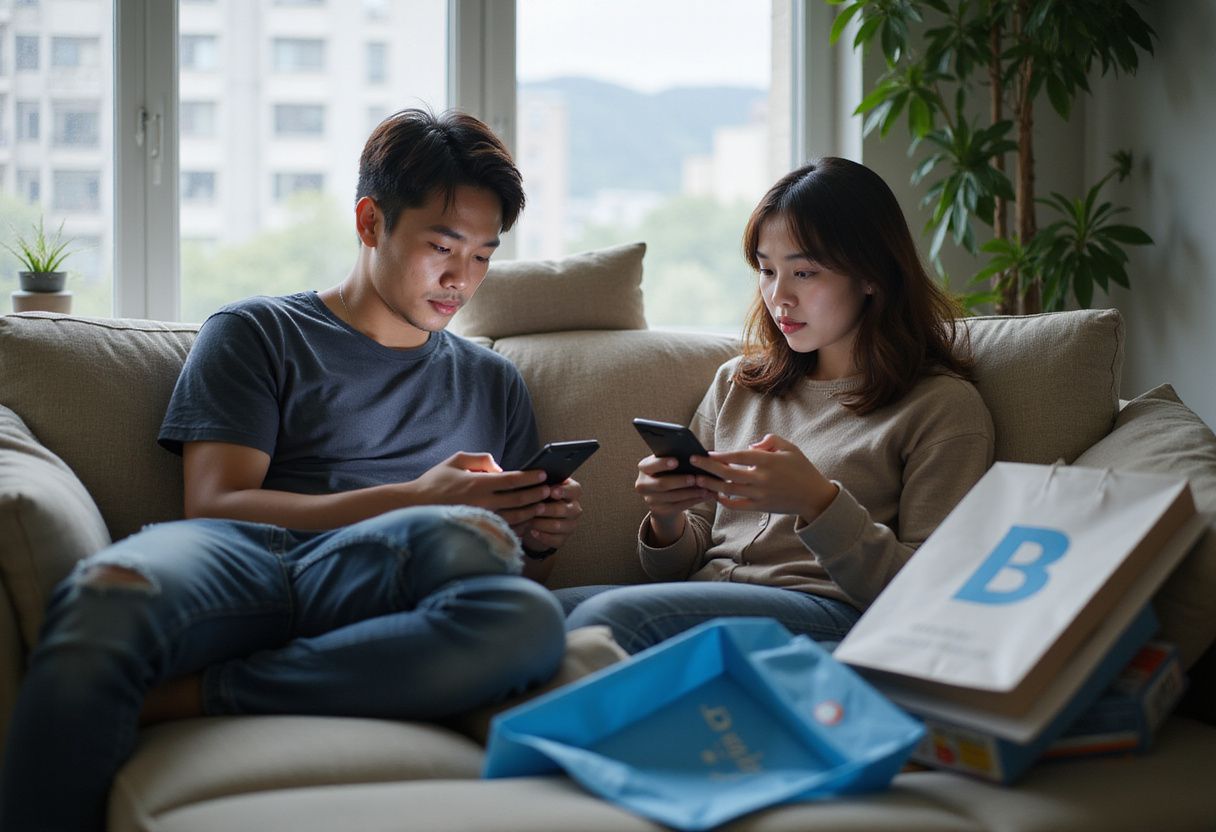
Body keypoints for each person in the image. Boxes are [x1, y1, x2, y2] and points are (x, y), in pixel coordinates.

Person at [0, 109, 581, 832]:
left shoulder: (493, 382)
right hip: (251, 557)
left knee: (520, 617)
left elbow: (511, 576)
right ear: (370, 222)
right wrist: (420, 496)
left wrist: (541, 536)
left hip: (391, 586)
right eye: (441, 246)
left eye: (483, 257)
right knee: (108, 596)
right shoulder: (257, 332)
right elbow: (215, 504)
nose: (460, 279)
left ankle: (198, 694)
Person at [558, 157, 994, 653]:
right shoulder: (738, 385)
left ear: (872, 274)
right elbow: (675, 567)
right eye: (767, 271)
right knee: (529, 612)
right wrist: (667, 520)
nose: (778, 296)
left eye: (804, 272)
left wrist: (818, 503)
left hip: (830, 613)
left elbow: (928, 594)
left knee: (608, 621)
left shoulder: (940, 407)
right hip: (710, 597)